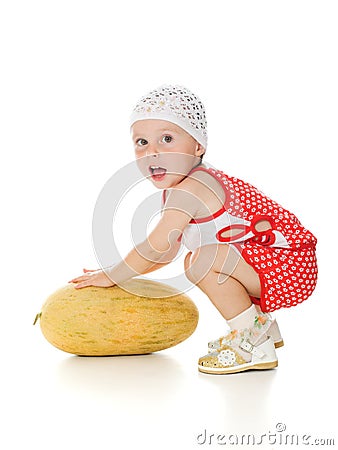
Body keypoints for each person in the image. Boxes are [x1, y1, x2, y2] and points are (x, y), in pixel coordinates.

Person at [69, 85, 318, 374]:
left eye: (167, 139)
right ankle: (262, 330)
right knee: (198, 259)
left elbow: (155, 246)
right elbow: (165, 254)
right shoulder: (183, 186)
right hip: (276, 263)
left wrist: (113, 274)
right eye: (141, 142)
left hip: (289, 265)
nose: (152, 152)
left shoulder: (191, 189)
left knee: (202, 261)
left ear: (198, 146)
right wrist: (121, 272)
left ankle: (253, 346)